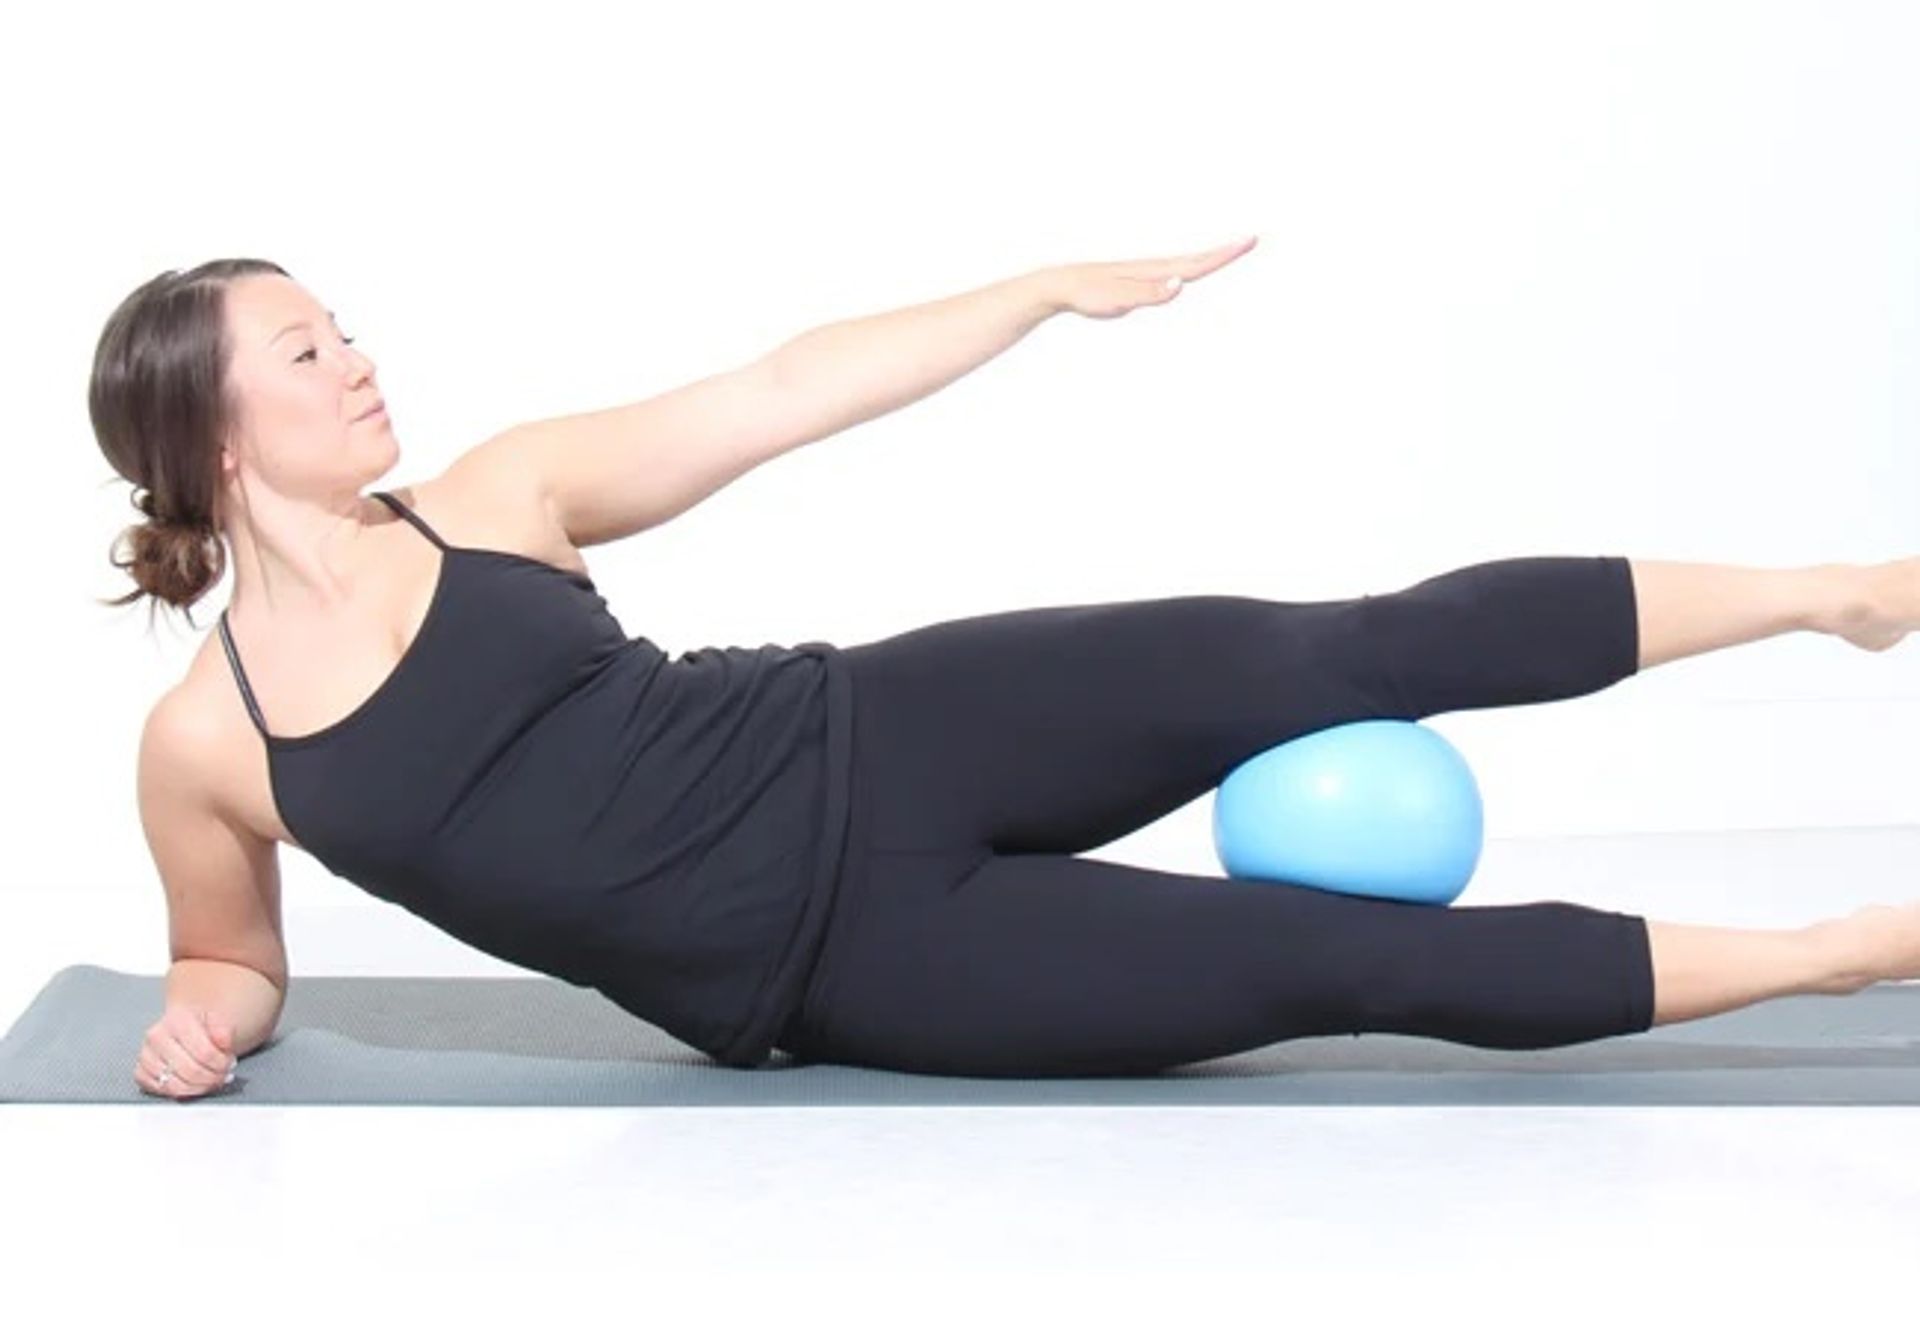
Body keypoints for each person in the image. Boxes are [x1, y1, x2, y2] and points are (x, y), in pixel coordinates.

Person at [92, 257, 1920, 1100]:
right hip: (854, 969)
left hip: (885, 723)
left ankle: (1842, 597)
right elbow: (232, 956)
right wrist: (206, 1026)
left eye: (343, 329)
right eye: (305, 349)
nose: (357, 360)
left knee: (1346, 646)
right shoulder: (207, 744)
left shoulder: (495, 496)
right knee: (1350, 962)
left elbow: (783, 389)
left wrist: (1026, 298)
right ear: (214, 436)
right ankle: (1853, 947)